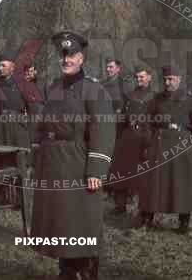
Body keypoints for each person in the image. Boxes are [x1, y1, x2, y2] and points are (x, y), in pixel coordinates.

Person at [31, 31, 115, 280]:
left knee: (82, 221)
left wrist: (96, 171)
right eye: (63, 55)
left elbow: (104, 130)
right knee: (61, 222)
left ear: (81, 58)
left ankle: (86, 272)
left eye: (72, 55)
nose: (66, 60)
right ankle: (67, 270)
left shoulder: (94, 89)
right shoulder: (54, 87)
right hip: (53, 164)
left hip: (79, 164)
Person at [135, 65, 192, 234]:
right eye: (165, 79)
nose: (168, 82)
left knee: (182, 184)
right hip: (159, 145)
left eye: (171, 79)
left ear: (179, 79)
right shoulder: (156, 100)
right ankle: (147, 217)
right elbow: (146, 122)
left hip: (181, 146)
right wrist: (147, 143)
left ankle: (184, 222)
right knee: (153, 183)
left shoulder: (191, 100)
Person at [108, 66, 154, 215]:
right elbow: (123, 115)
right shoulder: (131, 95)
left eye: (142, 76)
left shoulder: (155, 97)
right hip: (127, 138)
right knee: (120, 171)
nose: (139, 80)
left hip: (145, 138)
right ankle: (120, 205)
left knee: (143, 176)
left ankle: (143, 209)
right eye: (137, 77)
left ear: (150, 77)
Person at [0, 50, 31, 148]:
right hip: (0, 127)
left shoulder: (23, 84)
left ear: (12, 67)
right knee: (2, 156)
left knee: (20, 156)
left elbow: (31, 108)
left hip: (18, 126)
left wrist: (27, 128)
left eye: (3, 66)